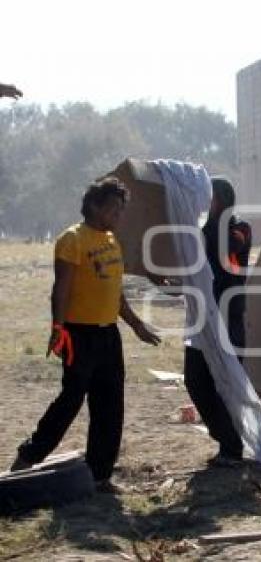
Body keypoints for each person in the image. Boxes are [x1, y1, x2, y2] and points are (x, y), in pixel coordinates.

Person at [10, 178, 160, 492]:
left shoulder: (111, 241)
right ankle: (27, 458)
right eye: (113, 209)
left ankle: (99, 475)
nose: (118, 216)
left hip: (108, 336)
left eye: (121, 210)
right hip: (78, 335)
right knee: (71, 399)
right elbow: (61, 288)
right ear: (94, 205)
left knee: (110, 404)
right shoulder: (72, 240)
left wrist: (136, 325)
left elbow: (116, 293)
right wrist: (57, 328)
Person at [182, 176, 252, 467]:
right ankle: (228, 441)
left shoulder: (238, 231)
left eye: (207, 198)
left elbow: (223, 246)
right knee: (197, 381)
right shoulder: (201, 234)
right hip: (204, 318)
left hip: (228, 319)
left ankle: (231, 446)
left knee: (224, 384)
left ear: (219, 201)